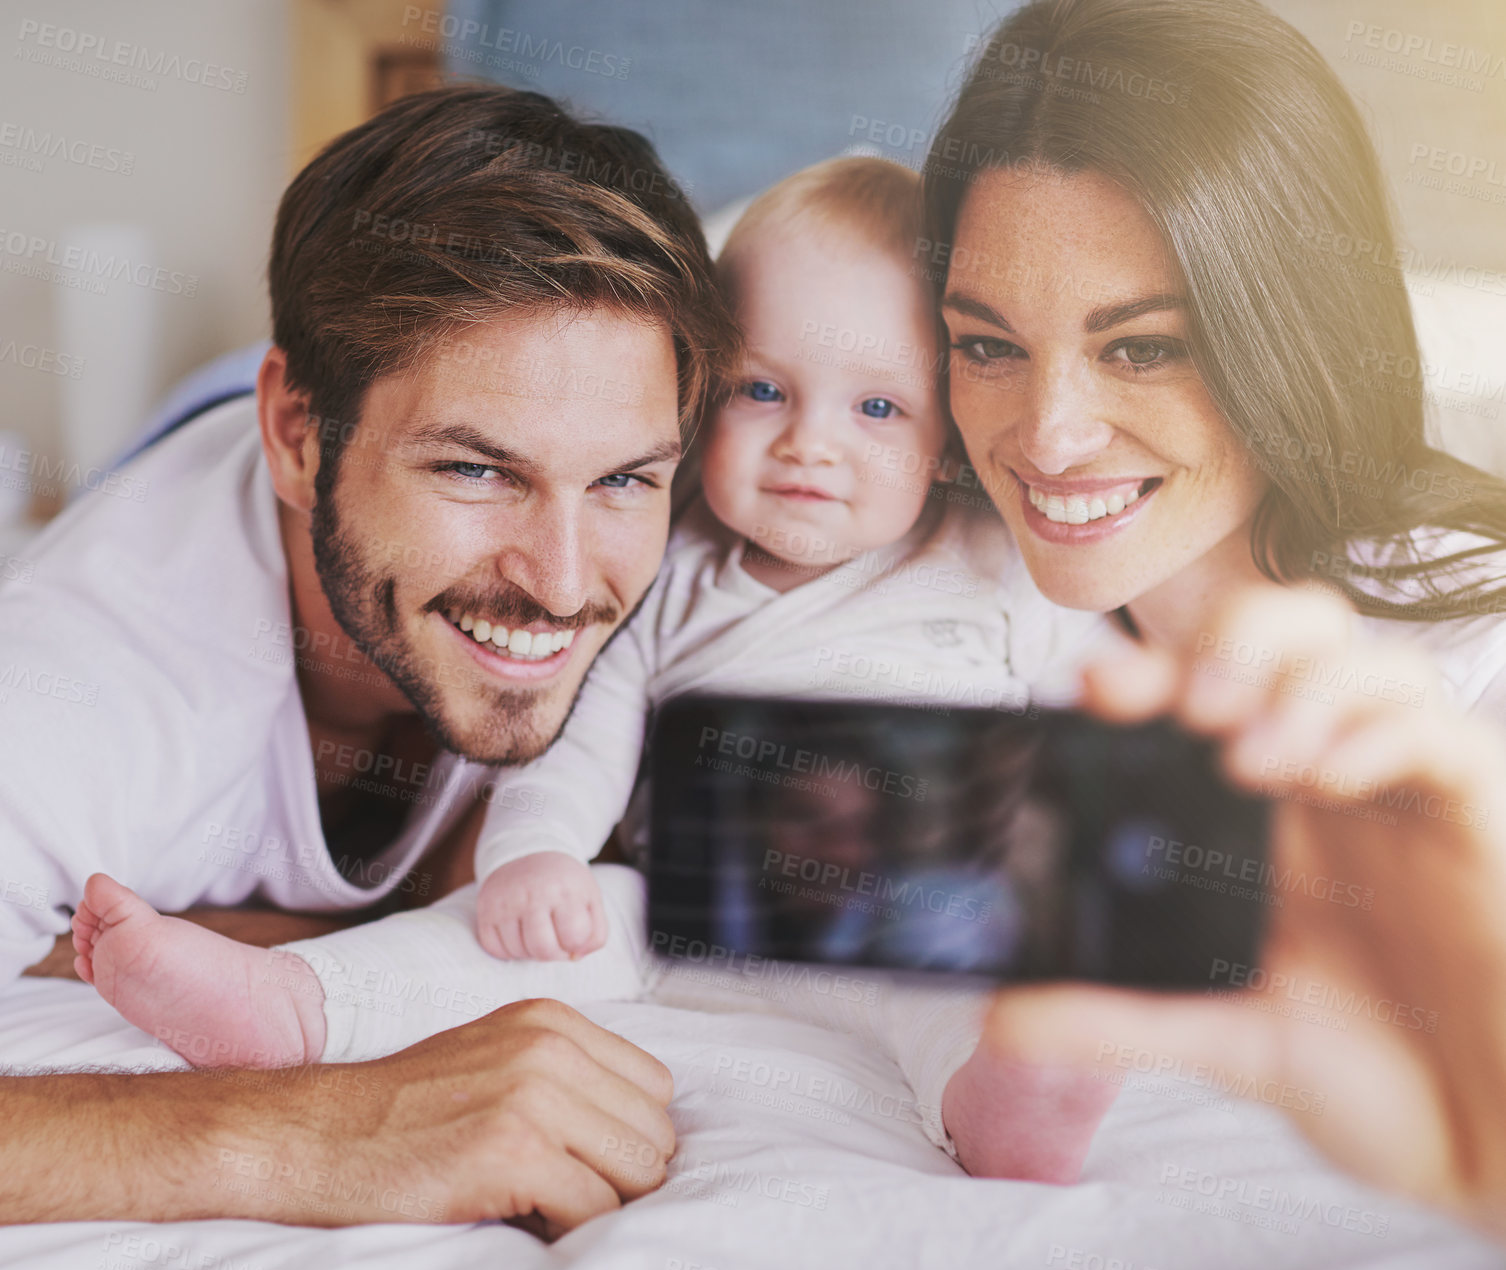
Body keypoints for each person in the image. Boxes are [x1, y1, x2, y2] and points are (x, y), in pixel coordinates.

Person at [69, 156, 1112, 1183]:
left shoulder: (988, 561)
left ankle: (1009, 1103)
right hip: (683, 907)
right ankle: (292, 1004)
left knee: (963, 983)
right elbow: (588, 739)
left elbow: (1103, 708)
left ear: (946, 440)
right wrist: (534, 854)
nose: (809, 445)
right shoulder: (671, 563)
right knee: (507, 936)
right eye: (762, 390)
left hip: (910, 898)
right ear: (697, 400)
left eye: (876, 409)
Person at [0, 83, 741, 1230]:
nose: (559, 578)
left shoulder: (735, 498)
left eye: (624, 480)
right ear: (298, 435)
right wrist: (315, 1131)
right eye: (475, 470)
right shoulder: (76, 688)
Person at [914, 0, 1506, 1224]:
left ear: (1287, 339)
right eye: (988, 346)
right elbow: (993, 1120)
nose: (1050, 436)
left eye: (1139, 349)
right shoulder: (941, 623)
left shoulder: (1469, 670)